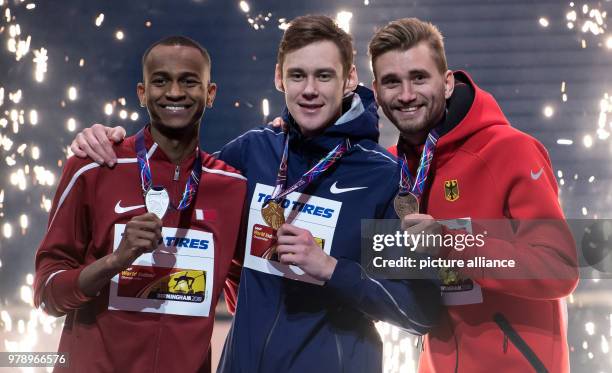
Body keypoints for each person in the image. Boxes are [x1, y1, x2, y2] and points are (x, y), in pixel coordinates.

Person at [68, 15, 441, 372]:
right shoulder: (253, 153)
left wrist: (331, 269)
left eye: (323, 75)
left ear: (349, 79)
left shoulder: (382, 176)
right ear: (280, 78)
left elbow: (418, 311)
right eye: (298, 75)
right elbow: (172, 180)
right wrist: (110, 141)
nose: (309, 90)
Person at [368, 18, 578, 372]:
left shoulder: (511, 151)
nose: (406, 94)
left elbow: (560, 268)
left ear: (447, 82)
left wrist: (451, 246)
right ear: (376, 91)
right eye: (392, 82)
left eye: (419, 77)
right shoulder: (392, 169)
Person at [33, 36, 247, 373]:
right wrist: (116, 261)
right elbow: (47, 294)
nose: (174, 92)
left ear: (211, 93)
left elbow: (246, 299)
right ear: (142, 93)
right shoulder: (94, 166)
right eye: (161, 80)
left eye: (189, 81)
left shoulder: (232, 187)